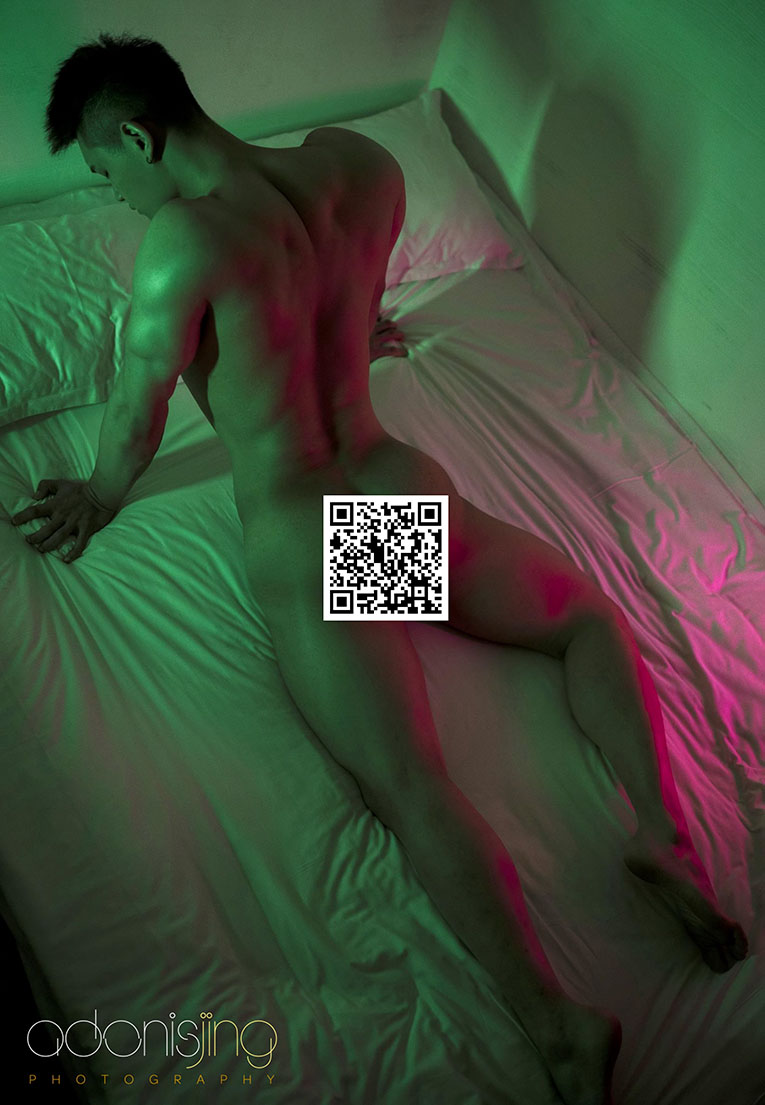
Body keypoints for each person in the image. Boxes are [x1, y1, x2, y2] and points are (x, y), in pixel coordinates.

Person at [12, 32, 748, 1105]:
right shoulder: (357, 167)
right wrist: (355, 333)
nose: (113, 194)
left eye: (106, 171)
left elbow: (135, 413)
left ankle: (559, 1026)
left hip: (312, 533)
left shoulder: (184, 241)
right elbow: (341, 312)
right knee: (584, 620)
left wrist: (96, 490)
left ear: (137, 135)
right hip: (390, 490)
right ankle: (662, 832)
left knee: (409, 782)